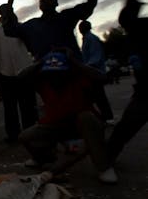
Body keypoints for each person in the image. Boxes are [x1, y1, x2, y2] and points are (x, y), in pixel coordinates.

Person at [18, 49, 113, 183]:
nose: (55, 78)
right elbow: (20, 77)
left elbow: (102, 78)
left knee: (86, 118)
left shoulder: (77, 79)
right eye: (51, 74)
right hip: (56, 125)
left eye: (59, 73)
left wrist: (74, 62)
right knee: (26, 136)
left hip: (81, 126)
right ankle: (44, 159)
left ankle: (103, 167)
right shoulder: (43, 83)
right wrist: (41, 62)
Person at [2, 0, 111, 59]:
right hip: (44, 71)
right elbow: (10, 30)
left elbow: (90, 5)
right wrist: (8, 16)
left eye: (50, 0)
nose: (47, 1)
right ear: (40, 6)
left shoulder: (67, 17)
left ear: (56, 4)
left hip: (71, 67)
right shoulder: (31, 25)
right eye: (44, 1)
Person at [106, 0, 148, 173]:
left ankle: (106, 158)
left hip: (145, 93)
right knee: (124, 128)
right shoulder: (137, 29)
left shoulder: (140, 27)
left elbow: (125, 19)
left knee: (125, 128)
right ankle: (106, 159)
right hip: (144, 91)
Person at [0, 4, 38, 143]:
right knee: (10, 107)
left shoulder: (22, 28)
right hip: (4, 72)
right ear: (0, 13)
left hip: (25, 71)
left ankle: (31, 132)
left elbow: (32, 47)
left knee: (28, 106)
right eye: (3, 11)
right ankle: (13, 135)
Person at [79, 20, 114, 122]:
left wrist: (86, 67)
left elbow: (95, 56)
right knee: (97, 96)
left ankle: (107, 117)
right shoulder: (87, 39)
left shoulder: (91, 39)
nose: (80, 29)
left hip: (94, 71)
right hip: (92, 71)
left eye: (81, 27)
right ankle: (104, 116)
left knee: (99, 96)